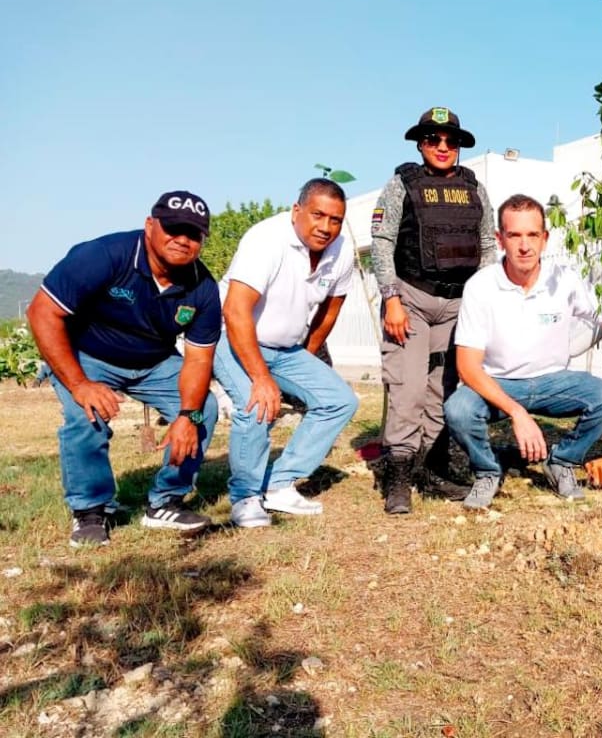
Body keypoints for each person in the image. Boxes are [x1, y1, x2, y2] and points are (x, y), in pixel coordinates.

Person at [444, 194, 602, 510]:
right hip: (500, 383)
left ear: (545, 238)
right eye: (515, 235)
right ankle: (487, 471)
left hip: (553, 382)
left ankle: (562, 461)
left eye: (533, 234)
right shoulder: (481, 286)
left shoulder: (564, 279)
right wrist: (517, 413)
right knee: (459, 409)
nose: (525, 245)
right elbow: (468, 368)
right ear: (500, 239)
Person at [28, 192, 221, 547]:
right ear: (150, 226)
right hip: (86, 354)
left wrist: (187, 415)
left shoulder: (204, 288)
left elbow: (198, 358)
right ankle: (90, 510)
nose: (183, 239)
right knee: (86, 415)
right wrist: (80, 384)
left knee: (202, 411)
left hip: (154, 361)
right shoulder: (103, 256)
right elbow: (42, 313)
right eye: (174, 228)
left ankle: (166, 501)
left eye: (193, 234)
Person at [369, 107, 497, 515]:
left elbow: (488, 248)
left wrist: (485, 301)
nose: (442, 147)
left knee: (443, 390)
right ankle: (399, 478)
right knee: (407, 388)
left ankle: (430, 469)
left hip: (459, 303)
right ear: (420, 143)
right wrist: (391, 298)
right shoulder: (401, 184)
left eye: (451, 141)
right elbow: (382, 241)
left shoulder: (475, 187)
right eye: (432, 139)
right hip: (410, 299)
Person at [214, 178, 359, 528]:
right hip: (231, 335)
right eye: (317, 215)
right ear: (297, 211)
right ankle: (246, 497)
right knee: (257, 406)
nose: (326, 227)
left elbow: (330, 310)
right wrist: (262, 378)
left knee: (340, 400)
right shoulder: (265, 239)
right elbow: (235, 311)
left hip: (286, 348)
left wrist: (306, 356)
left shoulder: (342, 251)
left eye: (335, 220)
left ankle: (278, 484)